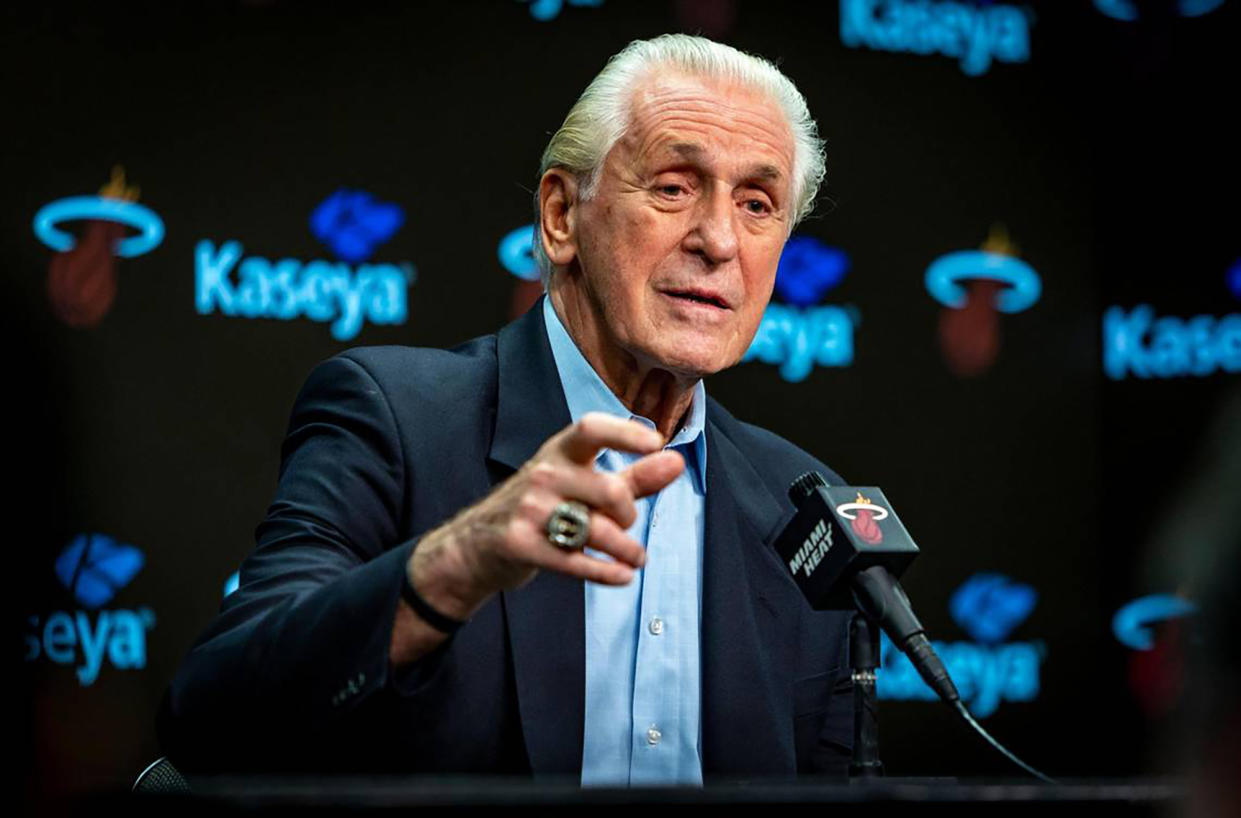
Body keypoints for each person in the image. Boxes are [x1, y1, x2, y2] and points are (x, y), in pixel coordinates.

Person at [158, 33, 854, 785]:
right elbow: (212, 719)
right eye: (673, 186)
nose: (718, 240)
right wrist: (454, 565)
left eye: (757, 204)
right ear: (561, 215)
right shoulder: (393, 419)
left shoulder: (802, 507)